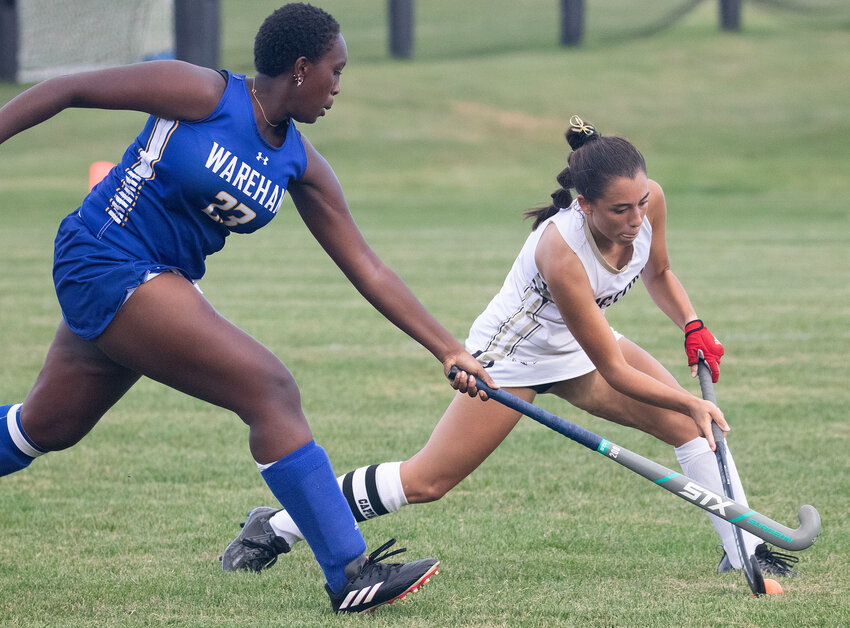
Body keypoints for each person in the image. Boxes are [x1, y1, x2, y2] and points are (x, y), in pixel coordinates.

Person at [0, 3, 494, 615]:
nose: (338, 87)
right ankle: (350, 572)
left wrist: (447, 347)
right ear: (301, 66)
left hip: (161, 281)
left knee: (44, 429)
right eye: (335, 72)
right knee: (269, 389)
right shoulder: (202, 92)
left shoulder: (301, 164)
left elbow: (368, 268)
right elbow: (68, 87)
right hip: (104, 255)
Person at [220, 116, 799, 581]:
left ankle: (747, 553)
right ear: (585, 206)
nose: (635, 219)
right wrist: (688, 401)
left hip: (581, 343)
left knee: (694, 430)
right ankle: (278, 525)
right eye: (620, 210)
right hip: (509, 359)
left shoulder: (648, 205)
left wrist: (692, 324)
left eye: (641, 204)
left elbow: (660, 273)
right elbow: (616, 371)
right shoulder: (561, 252)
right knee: (426, 482)